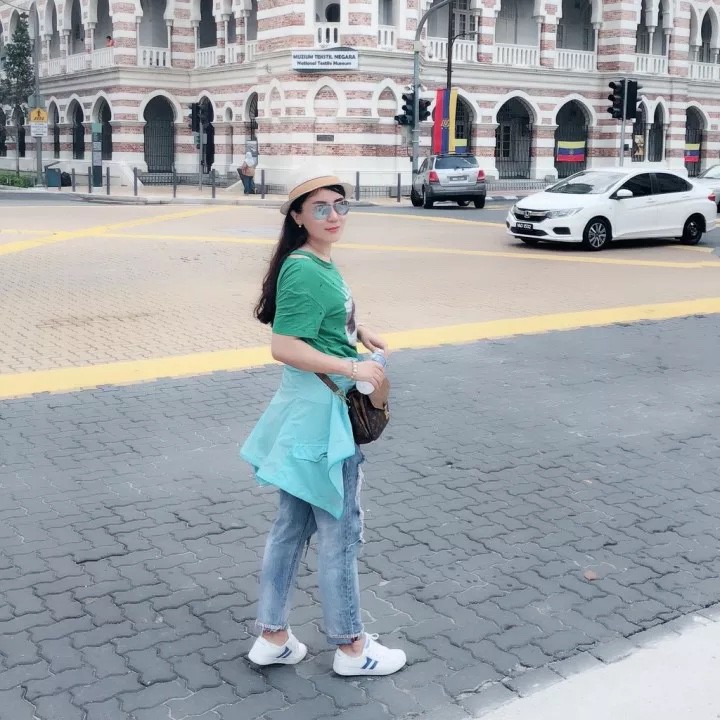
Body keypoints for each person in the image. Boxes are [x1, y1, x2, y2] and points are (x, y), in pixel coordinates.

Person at [241, 172, 407, 677]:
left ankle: (272, 637)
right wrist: (353, 367)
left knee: (291, 527)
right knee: (341, 531)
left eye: (340, 205)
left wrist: (358, 330)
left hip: (304, 413)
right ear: (297, 216)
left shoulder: (313, 262)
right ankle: (352, 648)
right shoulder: (304, 269)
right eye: (320, 208)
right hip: (324, 417)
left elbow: (322, 321)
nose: (334, 216)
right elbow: (283, 345)